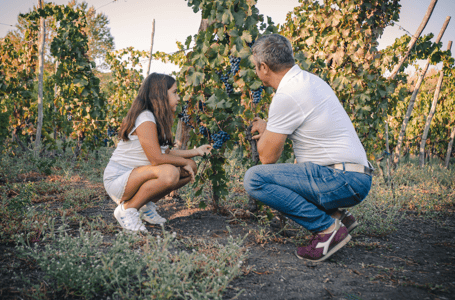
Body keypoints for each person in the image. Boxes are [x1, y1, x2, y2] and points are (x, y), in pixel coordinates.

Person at [244, 34, 373, 262]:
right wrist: (270, 127)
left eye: (255, 66)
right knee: (289, 175)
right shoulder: (308, 81)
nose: (256, 71)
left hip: (341, 178)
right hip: (355, 176)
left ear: (264, 67)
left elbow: (267, 158)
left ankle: (326, 229)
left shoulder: (287, 95)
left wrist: (265, 131)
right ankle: (339, 218)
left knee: (255, 179)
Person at [103, 73, 212, 233]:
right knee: (170, 173)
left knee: (190, 169)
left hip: (137, 176)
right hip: (119, 179)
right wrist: (184, 162)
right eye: (174, 92)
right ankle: (127, 209)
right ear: (161, 95)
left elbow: (166, 152)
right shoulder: (145, 118)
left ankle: (144, 205)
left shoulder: (155, 118)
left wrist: (196, 152)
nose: (179, 97)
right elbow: (156, 158)